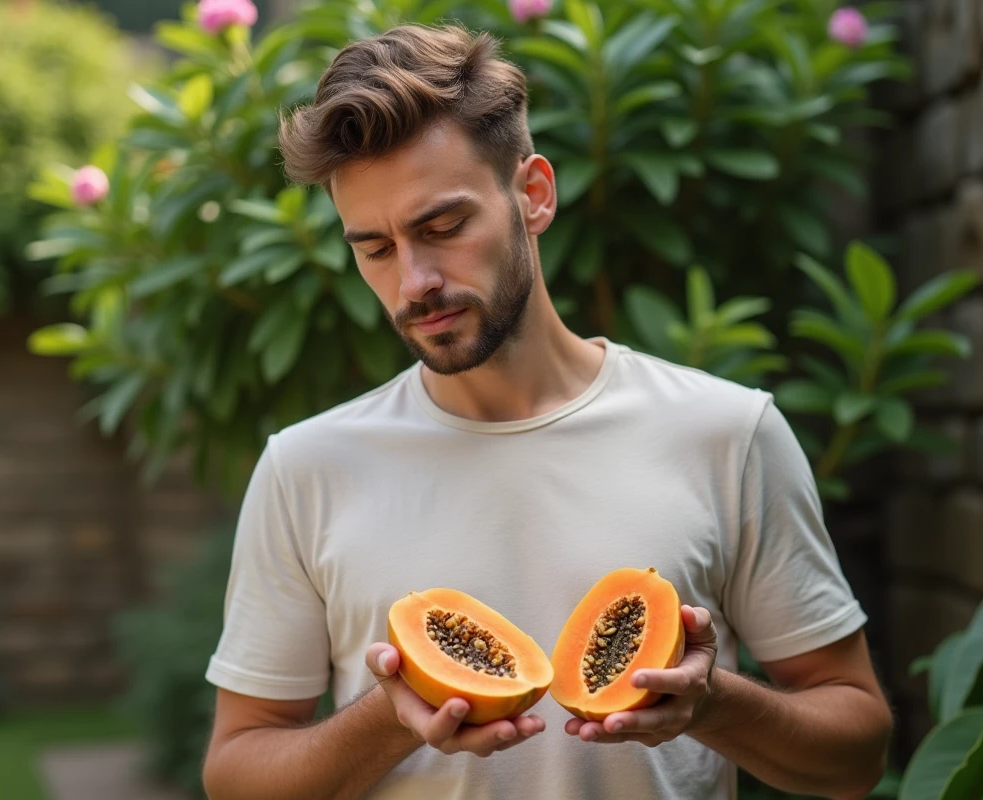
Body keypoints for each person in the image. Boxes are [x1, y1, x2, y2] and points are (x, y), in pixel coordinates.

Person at [200, 21, 893, 800]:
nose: (415, 280)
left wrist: (710, 703)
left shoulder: (727, 434)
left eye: (444, 227)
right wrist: (392, 717)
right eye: (376, 248)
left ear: (532, 195)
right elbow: (236, 775)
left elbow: (857, 753)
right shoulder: (305, 469)